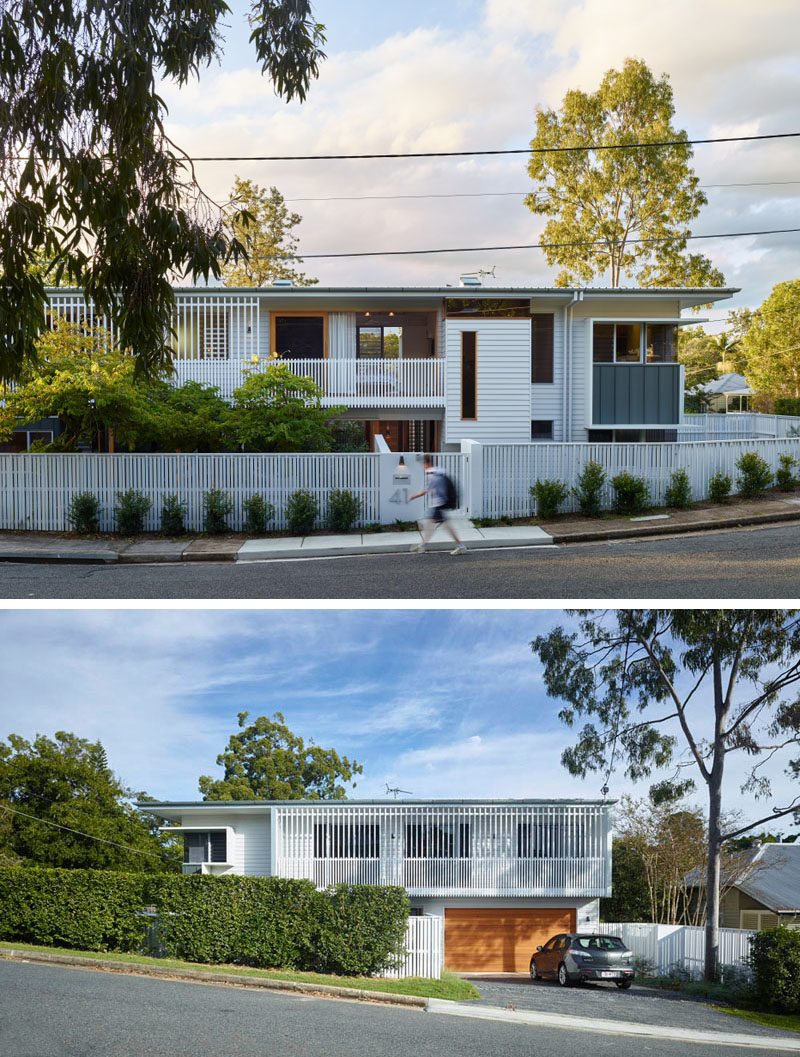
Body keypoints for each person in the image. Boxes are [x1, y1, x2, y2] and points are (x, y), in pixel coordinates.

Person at [407, 454, 466, 555]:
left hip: (439, 503)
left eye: (423, 464)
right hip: (441, 502)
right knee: (430, 524)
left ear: (427, 463)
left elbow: (425, 491)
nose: (423, 466)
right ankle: (422, 545)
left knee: (443, 525)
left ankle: (461, 546)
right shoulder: (439, 471)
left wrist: (413, 496)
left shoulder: (431, 475)